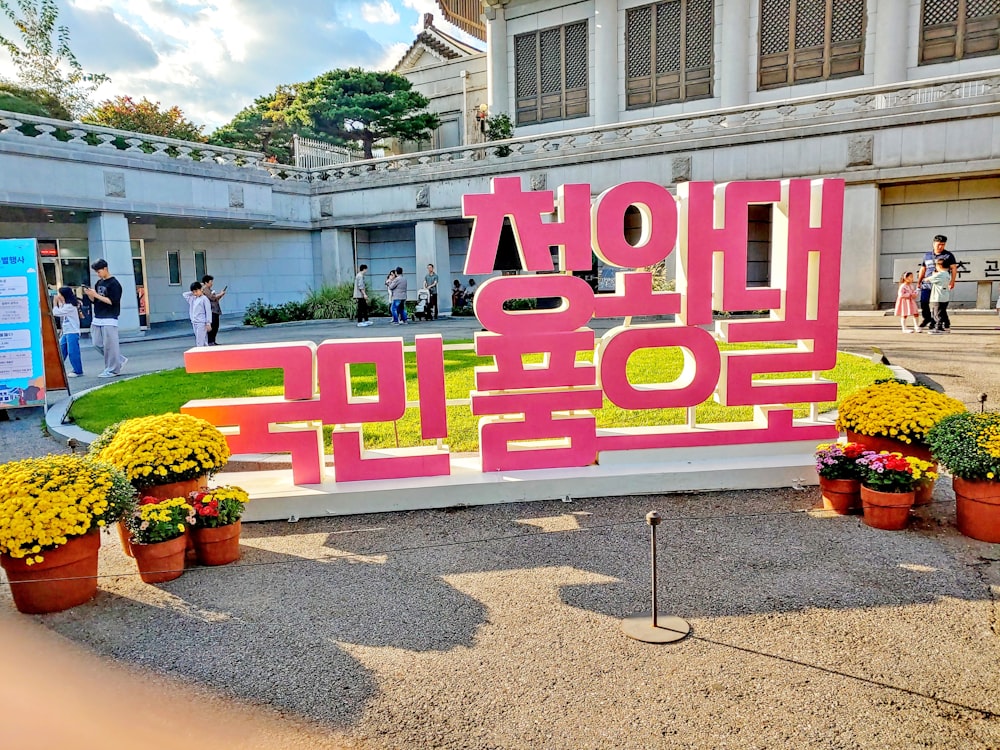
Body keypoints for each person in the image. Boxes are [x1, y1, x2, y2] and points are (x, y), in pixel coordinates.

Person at [84, 259, 127, 378]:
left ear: (105, 269)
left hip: (110, 317)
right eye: (96, 272)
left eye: (99, 271)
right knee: (96, 343)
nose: (98, 274)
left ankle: (113, 369)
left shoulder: (114, 284)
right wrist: (90, 295)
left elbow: (112, 301)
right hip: (98, 317)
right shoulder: (99, 283)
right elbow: (95, 301)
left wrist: (96, 295)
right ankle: (118, 360)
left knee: (110, 345)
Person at [916, 234, 957, 330]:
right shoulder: (927, 255)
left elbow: (954, 268)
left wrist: (952, 281)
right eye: (939, 244)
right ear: (934, 244)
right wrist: (919, 281)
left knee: (938, 304)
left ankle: (936, 322)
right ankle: (927, 319)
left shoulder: (948, 255)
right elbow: (923, 268)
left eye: (943, 244)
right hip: (927, 283)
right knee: (924, 302)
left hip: (939, 284)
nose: (940, 246)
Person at [52, 286, 84, 377]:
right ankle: (56, 369)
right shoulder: (67, 305)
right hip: (66, 332)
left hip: (72, 332)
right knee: (61, 351)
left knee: (73, 352)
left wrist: (55, 303)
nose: (59, 296)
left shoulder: (70, 306)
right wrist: (61, 302)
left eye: (60, 294)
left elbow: (56, 312)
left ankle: (78, 370)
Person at [925, 258, 952, 334]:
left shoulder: (940, 274)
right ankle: (946, 326)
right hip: (944, 297)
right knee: (942, 312)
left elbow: (928, 279)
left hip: (937, 297)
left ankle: (939, 327)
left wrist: (928, 277)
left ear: (939, 266)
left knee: (936, 313)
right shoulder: (947, 274)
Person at [183, 281, 212, 347]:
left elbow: (208, 311)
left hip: (201, 322)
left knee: (200, 341)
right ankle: (206, 354)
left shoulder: (204, 299)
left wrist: (208, 323)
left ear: (201, 289)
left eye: (196, 291)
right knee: (202, 340)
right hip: (194, 322)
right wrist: (193, 291)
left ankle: (200, 354)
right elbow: (184, 294)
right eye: (193, 292)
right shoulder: (193, 298)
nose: (195, 293)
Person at [201, 275, 227, 345]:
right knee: (212, 326)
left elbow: (215, 299)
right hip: (211, 310)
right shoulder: (205, 289)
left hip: (215, 310)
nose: (212, 283)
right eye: (211, 282)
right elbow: (212, 298)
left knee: (216, 326)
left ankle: (213, 341)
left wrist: (221, 295)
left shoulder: (210, 290)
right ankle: (210, 341)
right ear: (206, 282)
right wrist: (220, 294)